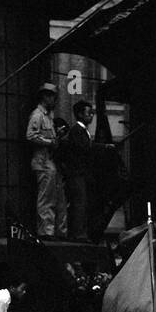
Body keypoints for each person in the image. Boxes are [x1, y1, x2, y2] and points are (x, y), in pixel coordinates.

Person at [27, 82, 67, 238]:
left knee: (55, 199)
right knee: (46, 199)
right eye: (53, 97)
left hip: (48, 162)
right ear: (45, 97)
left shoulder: (47, 116)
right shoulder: (37, 115)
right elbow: (30, 136)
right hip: (43, 162)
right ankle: (46, 232)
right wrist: (50, 142)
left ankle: (53, 231)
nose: (55, 101)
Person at [61, 100, 94, 241]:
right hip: (77, 173)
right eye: (89, 113)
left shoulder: (81, 131)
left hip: (79, 173)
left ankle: (79, 232)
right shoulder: (77, 131)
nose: (91, 116)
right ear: (80, 114)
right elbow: (84, 149)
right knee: (79, 203)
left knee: (81, 203)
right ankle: (77, 234)